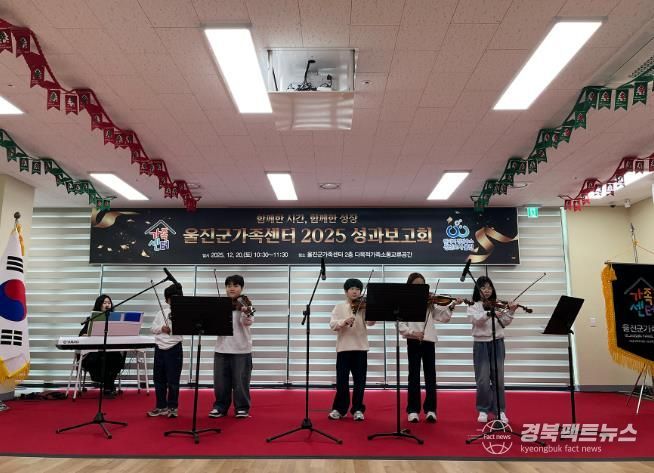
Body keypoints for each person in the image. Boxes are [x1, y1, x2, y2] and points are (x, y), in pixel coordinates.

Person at [398, 273, 461, 423]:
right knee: (413, 376)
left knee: (430, 376)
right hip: (413, 341)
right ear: (410, 286)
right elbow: (400, 324)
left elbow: (442, 317)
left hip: (429, 341)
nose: (419, 287)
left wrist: (452, 306)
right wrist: (413, 333)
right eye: (416, 284)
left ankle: (431, 410)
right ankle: (413, 410)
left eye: (422, 284)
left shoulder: (430, 302)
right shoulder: (405, 302)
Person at [466, 276, 516, 423]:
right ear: (477, 290)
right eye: (483, 287)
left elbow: (505, 322)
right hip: (481, 344)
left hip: (497, 342)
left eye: (489, 287)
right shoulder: (473, 305)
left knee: (498, 379)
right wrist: (489, 314)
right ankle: (483, 409)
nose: (487, 290)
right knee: (482, 379)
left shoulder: (498, 304)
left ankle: (500, 410)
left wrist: (511, 312)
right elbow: (476, 321)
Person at [328, 278, 375, 421]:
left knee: (360, 382)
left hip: (360, 348)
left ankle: (358, 409)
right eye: (352, 289)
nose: (355, 292)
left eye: (358, 289)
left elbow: (371, 323)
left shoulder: (363, 306)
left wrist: (371, 309)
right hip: (344, 349)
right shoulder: (339, 307)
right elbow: (332, 325)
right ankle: (339, 409)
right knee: (342, 381)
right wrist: (344, 321)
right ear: (346, 291)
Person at [209, 275, 254, 419]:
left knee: (241, 382)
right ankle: (220, 407)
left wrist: (245, 312)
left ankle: (242, 408)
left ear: (242, 288)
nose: (232, 288)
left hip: (241, 350)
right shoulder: (221, 304)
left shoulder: (245, 303)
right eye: (229, 286)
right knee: (221, 383)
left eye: (235, 285)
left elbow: (247, 322)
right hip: (221, 349)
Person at [147, 283, 184, 418]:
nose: (173, 301)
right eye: (171, 298)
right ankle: (161, 406)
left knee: (173, 381)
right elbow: (152, 328)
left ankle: (173, 407)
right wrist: (162, 328)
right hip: (159, 349)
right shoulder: (160, 313)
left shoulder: (182, 313)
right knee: (158, 379)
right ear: (166, 300)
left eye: (177, 298)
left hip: (174, 349)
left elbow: (184, 329)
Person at [79, 294, 125, 397]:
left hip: (111, 352)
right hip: (94, 353)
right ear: (99, 305)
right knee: (104, 358)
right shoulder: (91, 318)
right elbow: (81, 335)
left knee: (116, 357)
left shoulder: (115, 320)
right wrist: (87, 335)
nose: (107, 305)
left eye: (109, 303)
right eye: (104, 303)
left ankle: (108, 386)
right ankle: (108, 387)